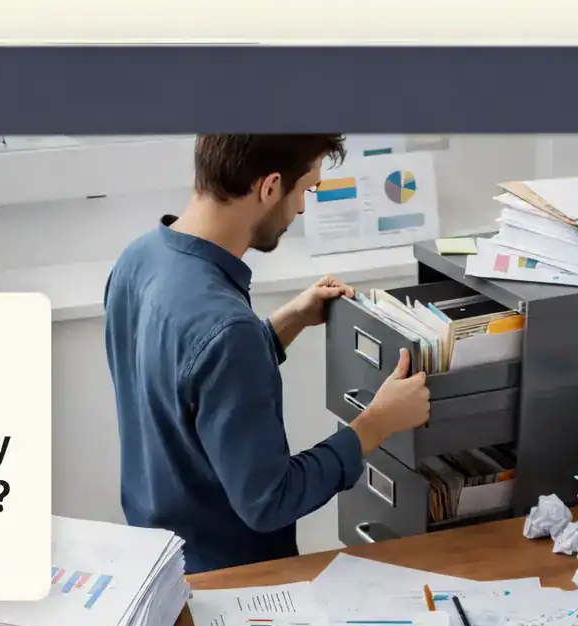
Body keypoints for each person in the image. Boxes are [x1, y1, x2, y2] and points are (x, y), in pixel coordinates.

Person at [104, 134, 430, 573]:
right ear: (271, 186)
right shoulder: (227, 331)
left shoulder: (138, 259)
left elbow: (188, 385)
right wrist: (377, 423)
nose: (302, 208)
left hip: (161, 564)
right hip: (232, 583)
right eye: (306, 189)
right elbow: (270, 500)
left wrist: (285, 322)